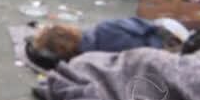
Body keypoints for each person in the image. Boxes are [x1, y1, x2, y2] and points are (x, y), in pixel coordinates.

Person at [29, 17, 186, 69]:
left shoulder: (88, 63)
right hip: (168, 40)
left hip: (165, 55)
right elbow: (145, 26)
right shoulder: (105, 28)